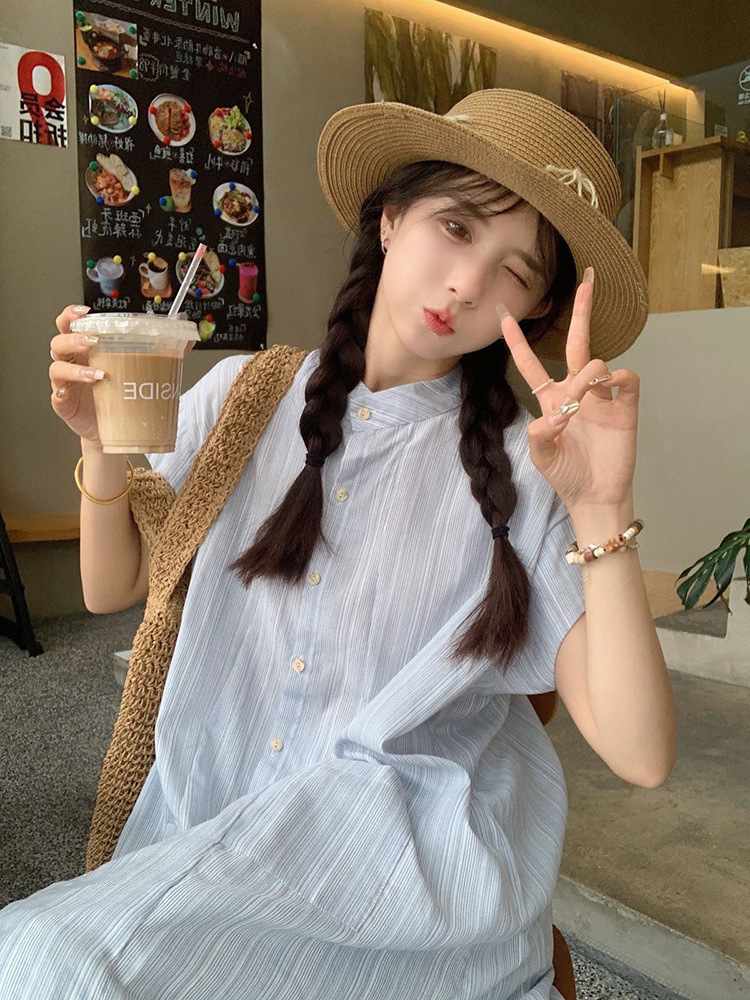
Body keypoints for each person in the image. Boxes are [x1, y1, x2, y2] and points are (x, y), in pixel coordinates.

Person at [2, 89, 675, 999]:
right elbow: (109, 587)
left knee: (52, 962)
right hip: (213, 832)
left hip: (411, 875)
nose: (466, 284)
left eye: (514, 272)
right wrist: (99, 443)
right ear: (390, 219)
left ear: (541, 305)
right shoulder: (247, 398)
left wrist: (601, 507)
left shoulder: (530, 471)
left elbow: (641, 753)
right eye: (456, 227)